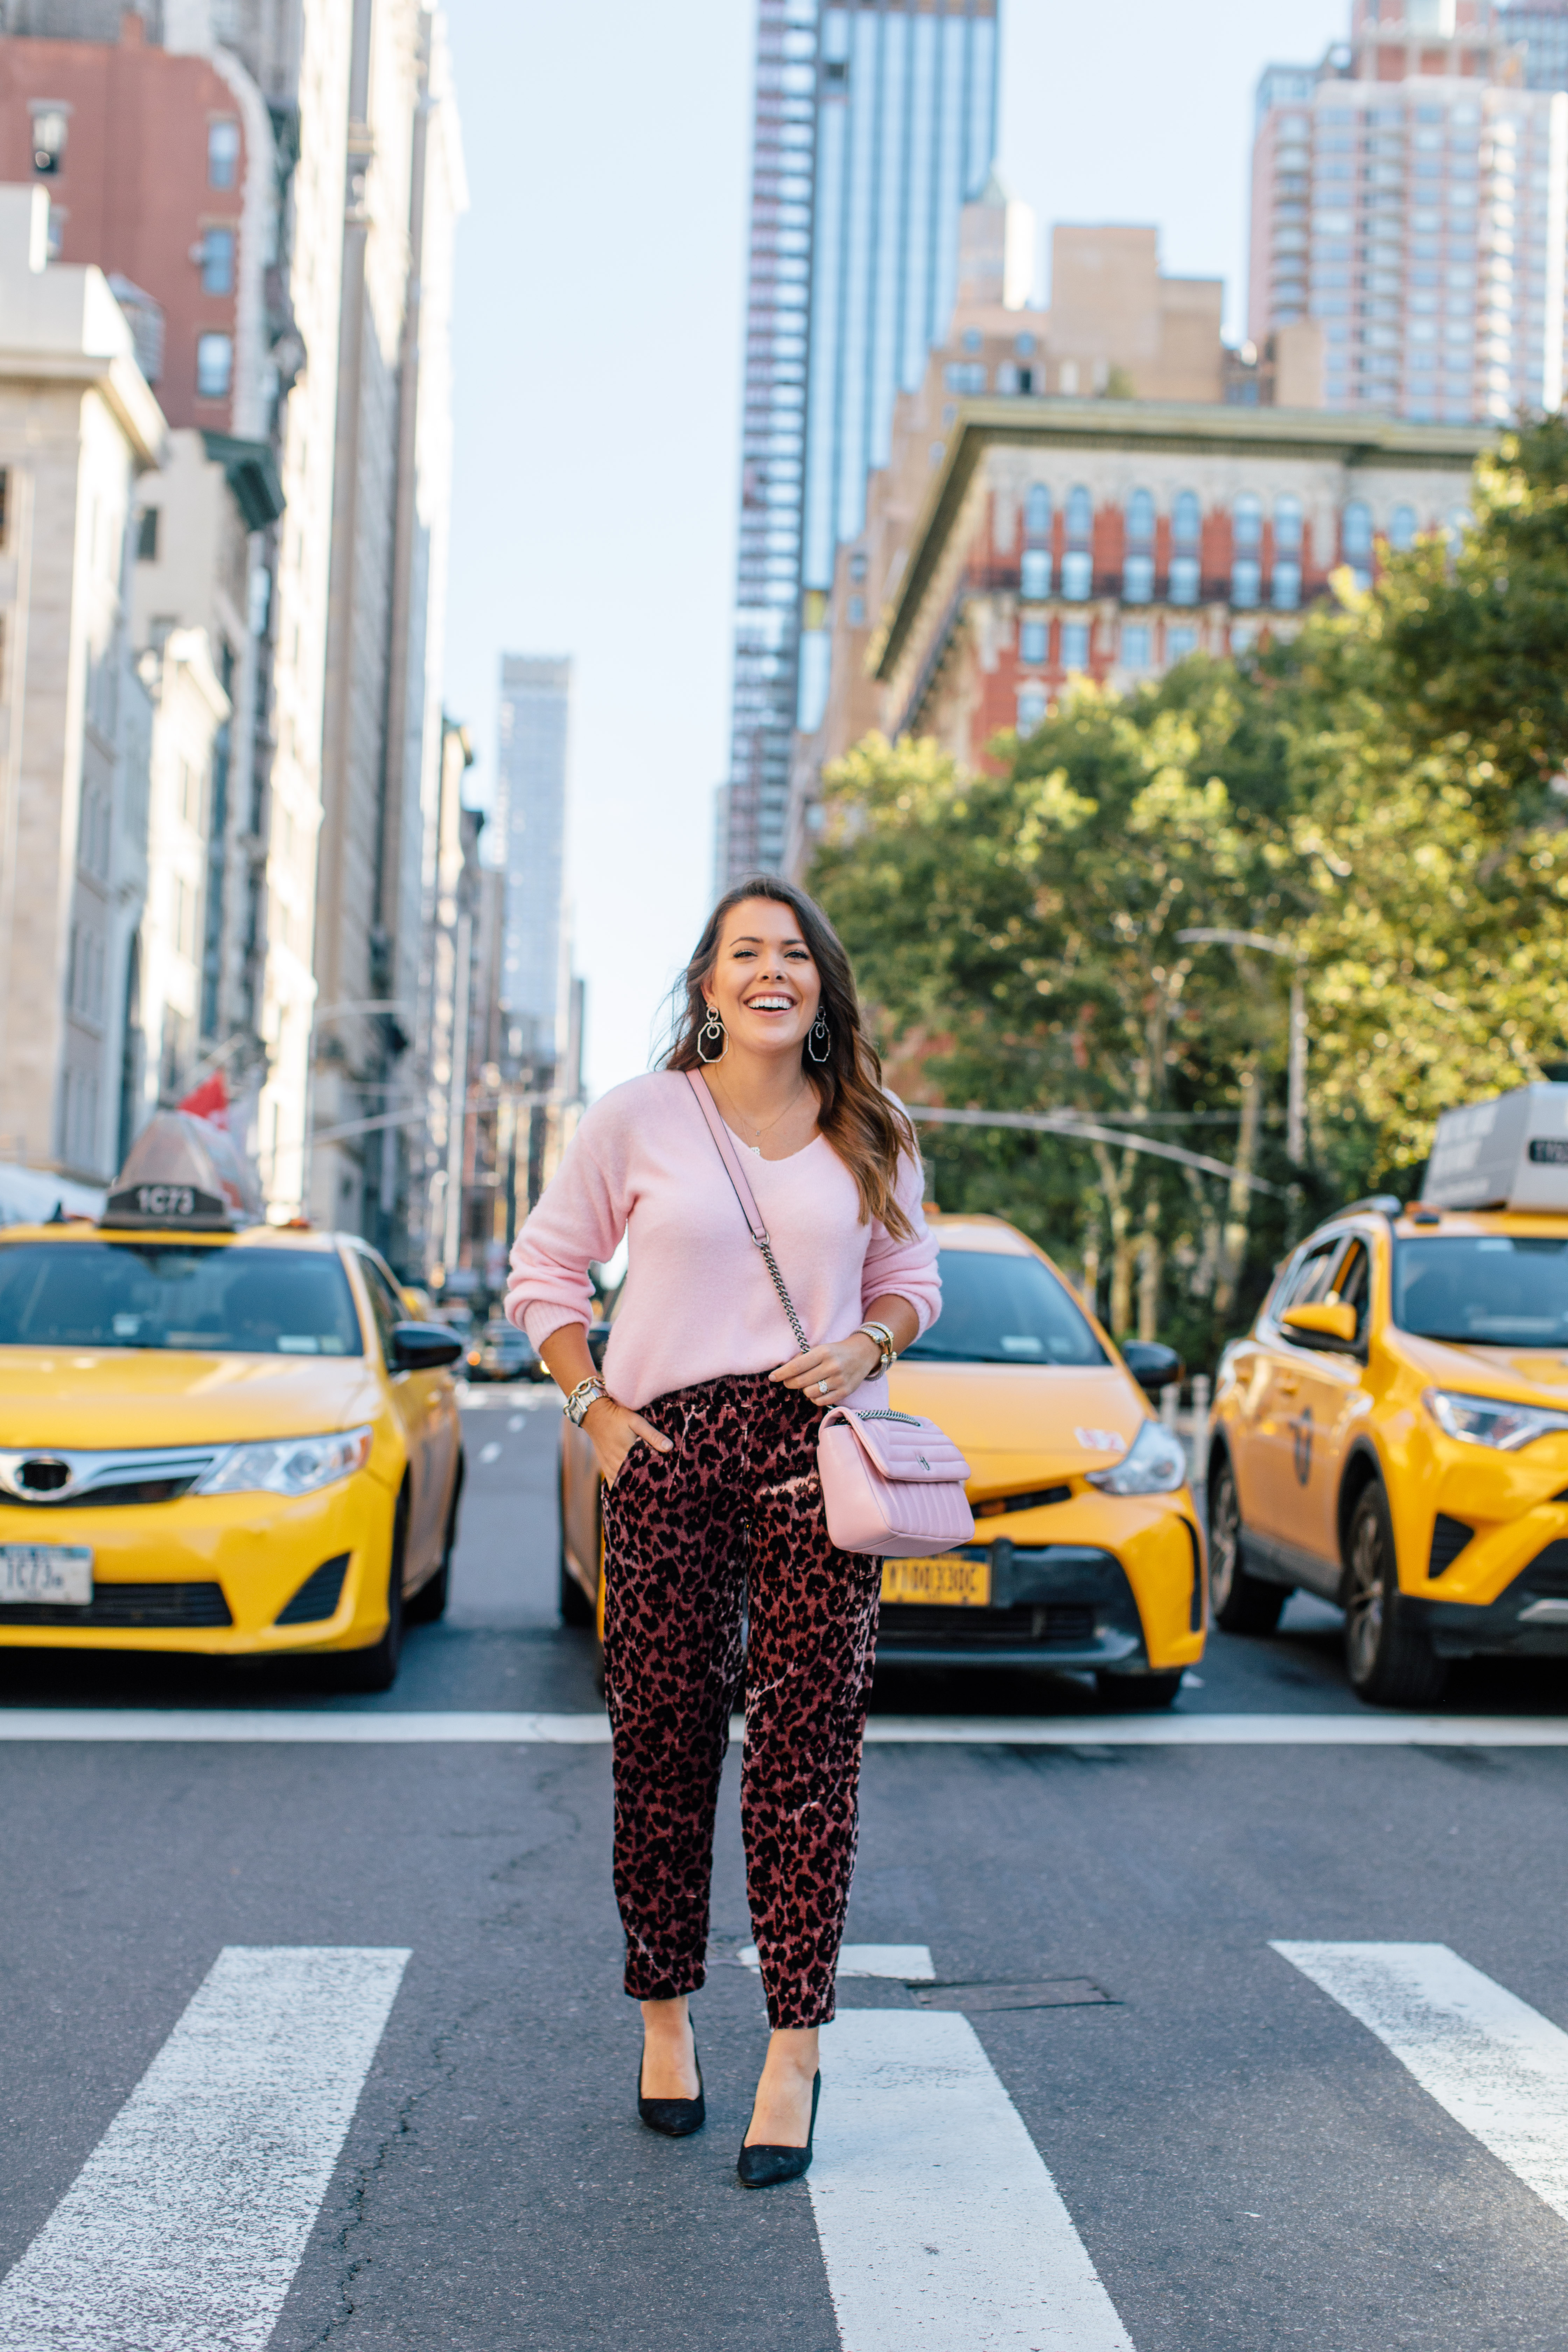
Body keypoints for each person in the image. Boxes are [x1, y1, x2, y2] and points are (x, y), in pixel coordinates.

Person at [506, 877, 941, 2186]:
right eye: (745, 952)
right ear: (707, 984)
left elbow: (912, 1278)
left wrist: (871, 1339)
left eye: (793, 954)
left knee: (808, 1760)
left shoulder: (872, 1124)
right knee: (663, 1742)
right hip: (667, 1452)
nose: (771, 971)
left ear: (821, 985)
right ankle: (664, 2020)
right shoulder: (638, 1118)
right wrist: (596, 1413)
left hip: (818, 1463)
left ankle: (795, 2049)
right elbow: (544, 1272)